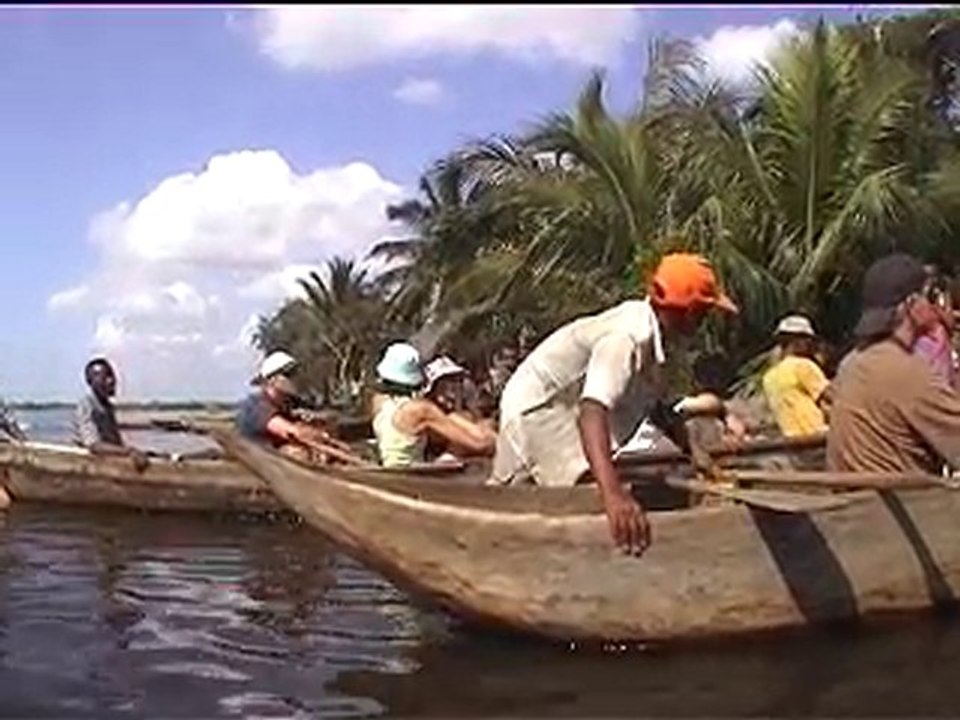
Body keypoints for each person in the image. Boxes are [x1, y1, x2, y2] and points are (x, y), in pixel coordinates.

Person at [489, 252, 740, 555]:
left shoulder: (658, 341)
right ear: (688, 311)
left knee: (576, 492)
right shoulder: (627, 338)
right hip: (537, 410)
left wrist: (696, 456)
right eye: (703, 312)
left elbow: (659, 411)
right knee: (551, 498)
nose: (704, 320)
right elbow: (591, 412)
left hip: (563, 411)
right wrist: (613, 495)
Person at [827, 253, 960, 473]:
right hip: (902, 502)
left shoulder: (853, 362)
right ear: (910, 304)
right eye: (931, 296)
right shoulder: (907, 372)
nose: (937, 305)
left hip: (857, 501)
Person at [371, 342, 496, 468]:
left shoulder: (379, 401)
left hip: (390, 472)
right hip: (412, 477)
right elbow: (480, 444)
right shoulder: (421, 410)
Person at [236, 351, 359, 464]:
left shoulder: (291, 401)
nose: (295, 378)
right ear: (273, 380)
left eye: (296, 372)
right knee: (300, 454)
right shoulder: (256, 405)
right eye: (289, 374)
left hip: (278, 462)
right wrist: (322, 437)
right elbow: (292, 432)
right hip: (259, 462)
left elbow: (328, 415)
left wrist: (318, 419)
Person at [72, 357, 149, 471]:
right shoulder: (86, 405)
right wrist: (130, 451)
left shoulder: (107, 406)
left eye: (111, 376)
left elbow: (115, 442)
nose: (111, 381)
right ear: (90, 382)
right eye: (104, 377)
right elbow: (94, 446)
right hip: (90, 466)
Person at [762, 314, 831, 438]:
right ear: (796, 340)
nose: (810, 343)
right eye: (807, 339)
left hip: (792, 443)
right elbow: (833, 397)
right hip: (817, 438)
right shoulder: (803, 366)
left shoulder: (769, 377)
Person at [913, 267, 957, 389]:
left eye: (932, 277)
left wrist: (935, 308)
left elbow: (950, 323)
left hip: (939, 342)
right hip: (920, 346)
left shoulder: (941, 295)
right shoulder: (912, 299)